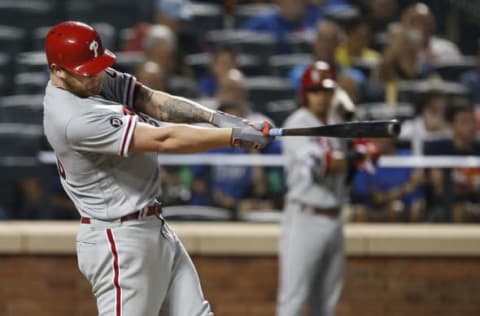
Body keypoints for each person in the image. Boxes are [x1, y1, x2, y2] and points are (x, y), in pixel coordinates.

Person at [42, 21, 272, 316]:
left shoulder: (88, 79)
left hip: (151, 225)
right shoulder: (72, 118)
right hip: (119, 238)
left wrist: (217, 118)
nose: (97, 76)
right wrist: (232, 136)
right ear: (57, 70)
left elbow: (147, 98)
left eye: (98, 66)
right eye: (87, 71)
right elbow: (164, 138)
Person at [276, 61, 377, 316]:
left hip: (335, 217)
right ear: (304, 94)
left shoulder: (336, 123)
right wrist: (357, 156)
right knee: (293, 301)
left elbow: (370, 156)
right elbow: (320, 165)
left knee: (327, 305)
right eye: (314, 90)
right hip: (305, 217)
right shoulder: (297, 123)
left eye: (325, 90)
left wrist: (361, 151)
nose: (321, 96)